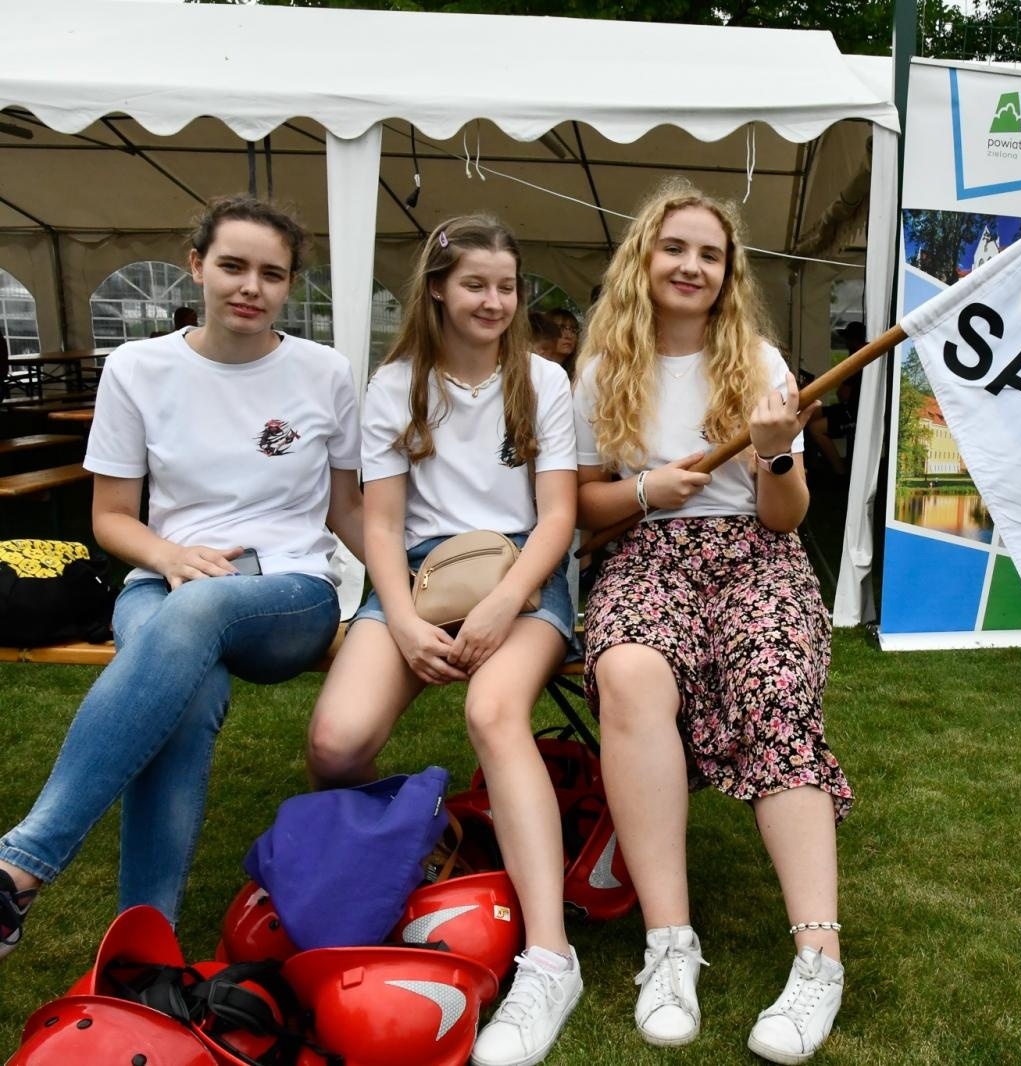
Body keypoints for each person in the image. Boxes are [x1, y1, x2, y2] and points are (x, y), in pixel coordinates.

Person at [0, 194, 364, 954]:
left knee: (198, 615)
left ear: (289, 285)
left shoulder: (325, 372)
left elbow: (347, 512)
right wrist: (167, 557)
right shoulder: (139, 367)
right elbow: (111, 519)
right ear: (196, 266)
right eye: (232, 265)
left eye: (271, 273)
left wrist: (405, 589)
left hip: (288, 593)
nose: (250, 287)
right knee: (188, 684)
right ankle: (145, 946)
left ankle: (20, 863)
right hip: (160, 583)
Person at [573, 180, 852, 1065]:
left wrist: (773, 452)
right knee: (628, 674)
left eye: (710, 253)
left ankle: (819, 958)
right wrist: (650, 489)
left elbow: (784, 518)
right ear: (643, 259)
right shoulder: (600, 368)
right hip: (647, 554)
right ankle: (669, 946)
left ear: (728, 273)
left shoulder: (761, 363)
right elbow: (581, 507)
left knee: (772, 684)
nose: (692, 265)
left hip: (751, 556)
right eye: (676, 248)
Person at [305, 215, 581, 1066]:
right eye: (476, 285)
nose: (495, 301)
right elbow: (380, 527)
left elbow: (560, 516)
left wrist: (508, 602)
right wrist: (407, 620)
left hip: (521, 575)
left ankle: (549, 959)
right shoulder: (394, 387)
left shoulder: (543, 381)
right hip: (419, 579)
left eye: (508, 286)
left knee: (496, 716)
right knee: (336, 745)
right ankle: (421, 841)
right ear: (436, 289)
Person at [545, 307, 580, 378]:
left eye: (573, 330)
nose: (569, 336)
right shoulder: (533, 368)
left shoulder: (578, 374)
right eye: (561, 328)